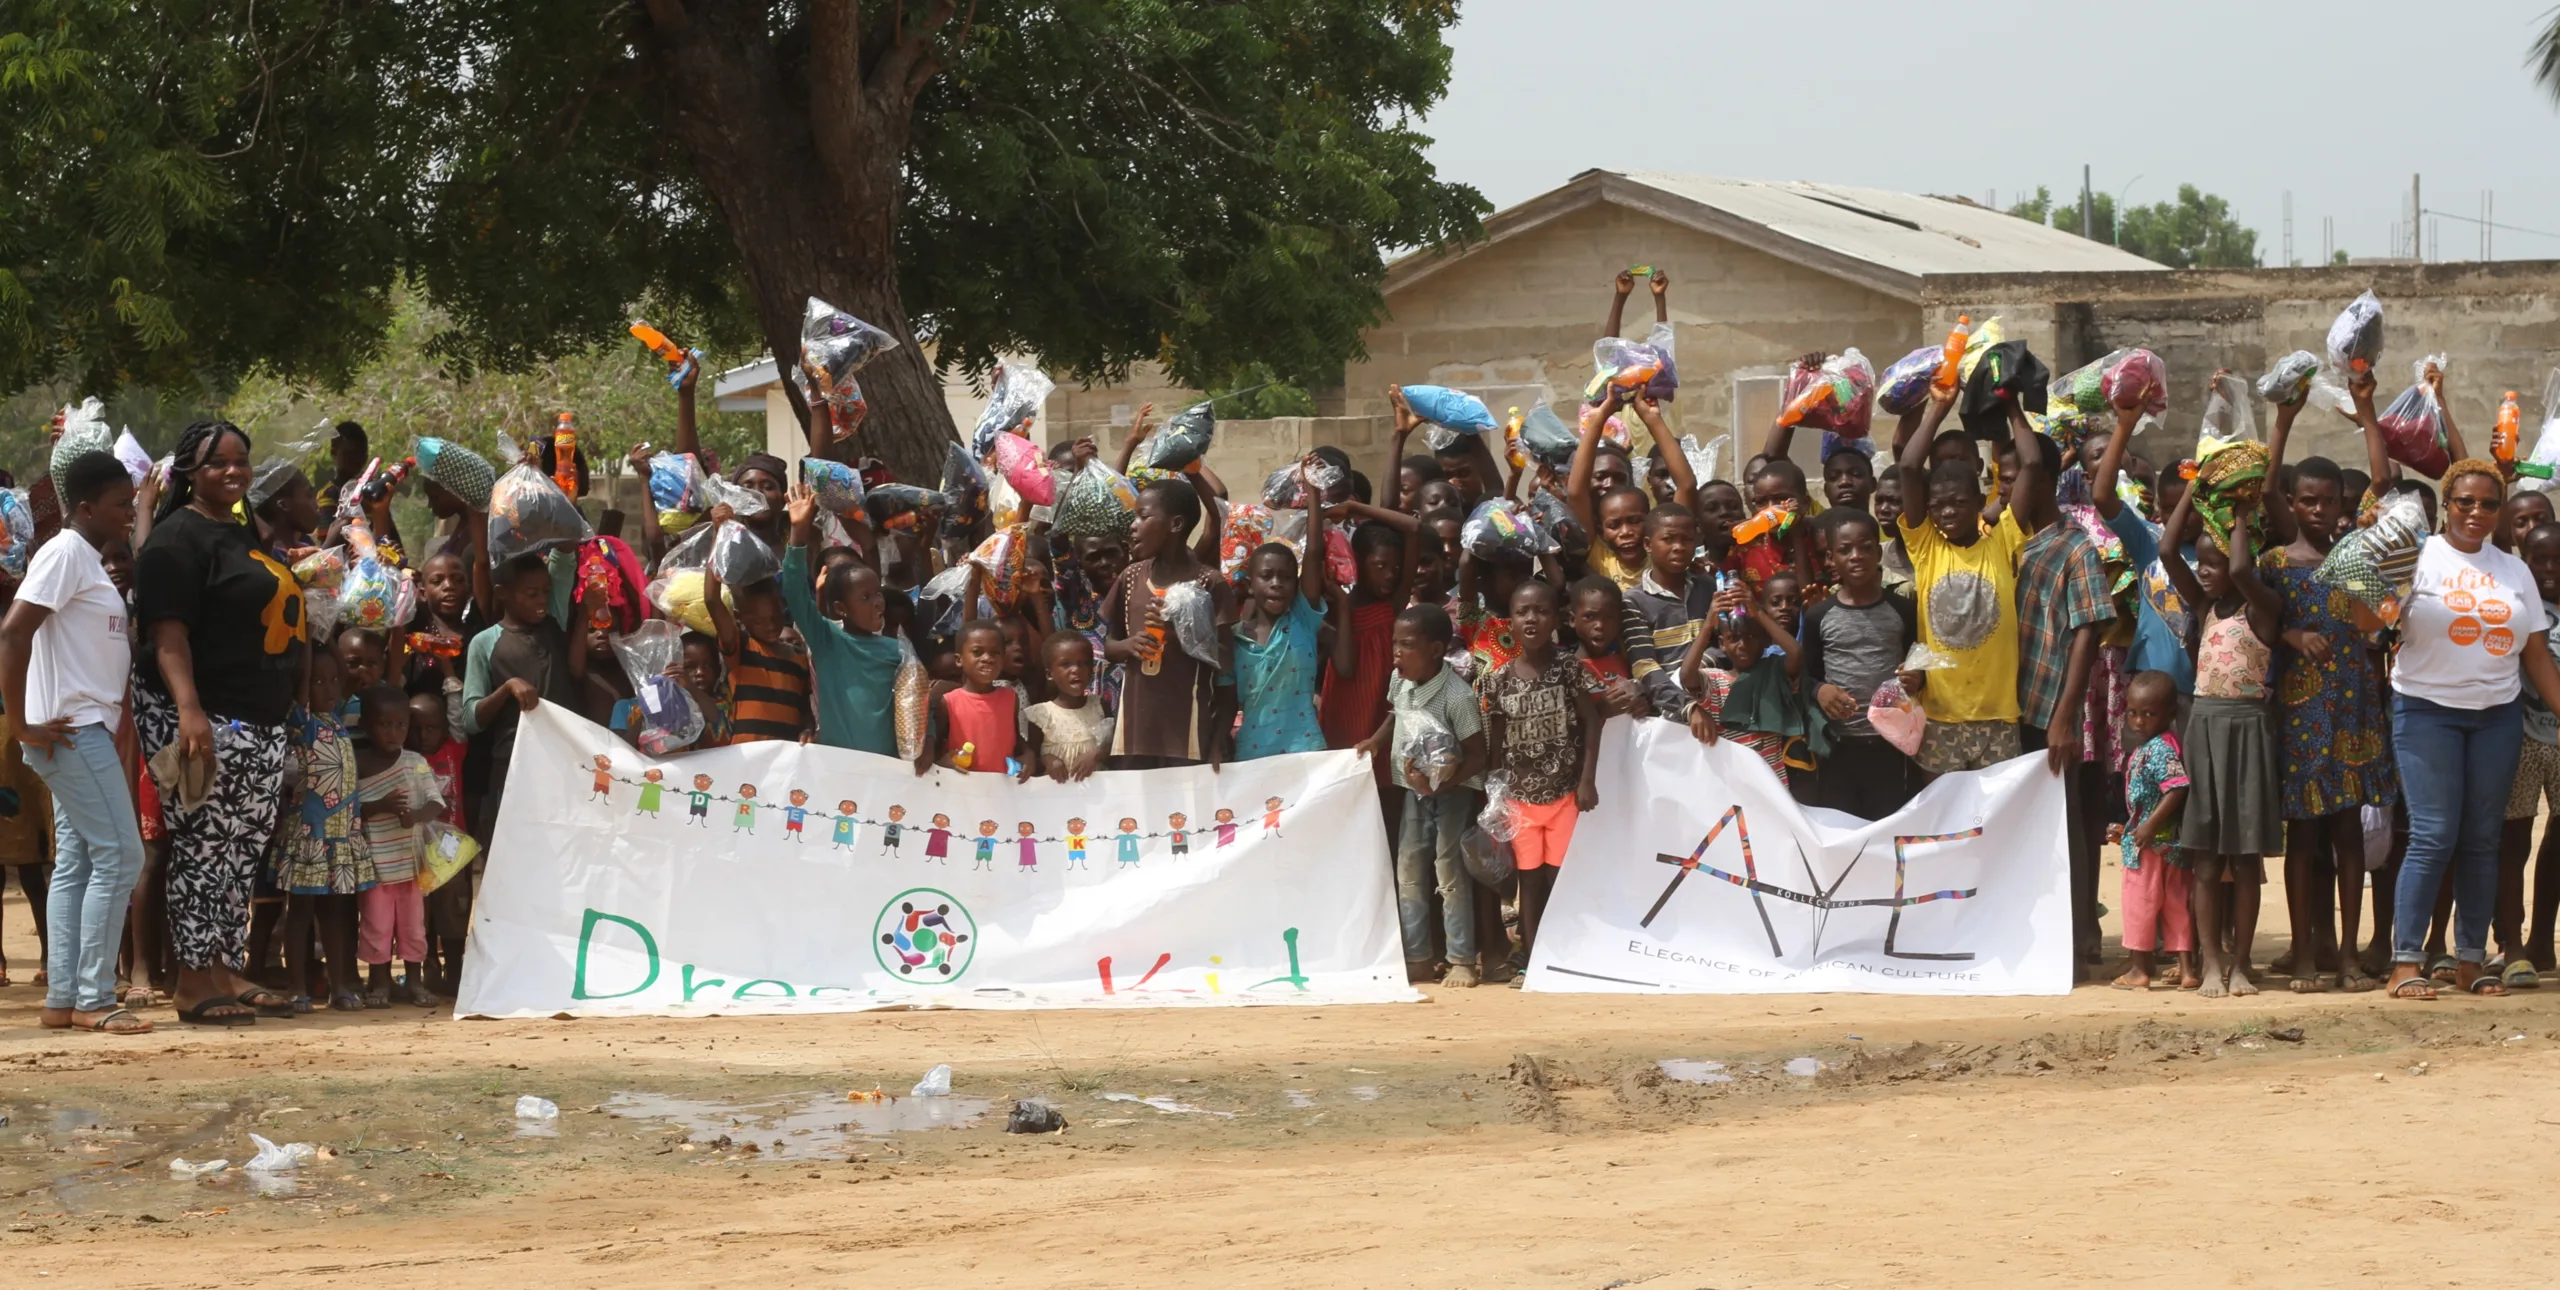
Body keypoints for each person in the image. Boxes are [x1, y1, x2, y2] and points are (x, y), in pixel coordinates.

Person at [133, 420, 305, 1026]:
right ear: (189, 472)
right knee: (203, 845)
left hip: (256, 716)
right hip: (204, 716)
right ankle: (191, 981)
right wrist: (189, 711)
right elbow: (167, 633)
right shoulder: (176, 539)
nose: (234, 471)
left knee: (241, 849)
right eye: (218, 463)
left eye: (241, 460)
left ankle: (225, 967)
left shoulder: (236, 529)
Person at [2382, 458, 2560, 1000]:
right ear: (2447, 503)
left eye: (2488, 503)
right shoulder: (2418, 557)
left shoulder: (2514, 570)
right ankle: (2405, 962)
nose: (2476, 512)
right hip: (2426, 711)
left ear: (2499, 510)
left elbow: (2535, 653)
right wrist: (2377, 582)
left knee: (2483, 839)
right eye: (2465, 502)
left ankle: (2470, 960)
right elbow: (2371, 623)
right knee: (2434, 835)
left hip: (2496, 716)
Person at [1, 451, 148, 1034]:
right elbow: (14, 632)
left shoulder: (84, 557)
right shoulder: (65, 552)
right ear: (85, 508)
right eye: (120, 504)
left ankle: (64, 998)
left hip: (81, 729)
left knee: (81, 861)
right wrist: (21, 723)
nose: (128, 512)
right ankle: (93, 997)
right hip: (71, 730)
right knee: (122, 855)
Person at [2260, 381, 2397, 992]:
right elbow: (2262, 625)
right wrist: (2283, 419)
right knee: (2304, 835)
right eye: (2307, 500)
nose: (2317, 510)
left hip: (2354, 710)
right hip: (2300, 716)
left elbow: (2383, 482)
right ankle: (2303, 953)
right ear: (2292, 502)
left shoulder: (2355, 556)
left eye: (2328, 501)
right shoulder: (2274, 564)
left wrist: (2365, 410)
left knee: (2348, 834)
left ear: (2342, 502)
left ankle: (2346, 956)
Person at [2158, 484, 2282, 999]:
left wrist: (2240, 515)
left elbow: (2243, 571)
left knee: (2245, 859)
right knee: (2206, 859)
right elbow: (2168, 550)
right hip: (2205, 728)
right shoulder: (2204, 606)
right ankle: (2212, 963)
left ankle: (2243, 963)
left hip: (2248, 729)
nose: (2206, 571)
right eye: (2202, 564)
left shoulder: (2263, 608)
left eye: (2214, 563)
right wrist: (2194, 486)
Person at [1889, 383, 2035, 775]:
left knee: (1998, 812)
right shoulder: (1927, 548)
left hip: (1998, 716)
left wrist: (2011, 403)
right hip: (1941, 718)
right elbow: (1908, 467)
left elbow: (2032, 464)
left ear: (1980, 502)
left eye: (1958, 502)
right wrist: (1940, 405)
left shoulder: (2002, 539)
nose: (1947, 512)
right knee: (1944, 813)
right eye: (1937, 505)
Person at [1353, 605, 1484, 987]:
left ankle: (1461, 959)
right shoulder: (1401, 682)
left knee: (1449, 872)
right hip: (1414, 792)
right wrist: (1376, 742)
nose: (1397, 652)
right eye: (1395, 643)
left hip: (1452, 795)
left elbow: (1478, 754)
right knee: (1408, 871)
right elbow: (1396, 714)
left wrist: (1444, 782)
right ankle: (1418, 958)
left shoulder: (1456, 697)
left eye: (1407, 645)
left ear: (1435, 649)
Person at [1476, 580, 1601, 959]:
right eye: (1522, 612)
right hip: (1520, 800)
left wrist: (1587, 780)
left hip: (1564, 795)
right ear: (1510, 622)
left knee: (1559, 876)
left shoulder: (1568, 669)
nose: (1532, 619)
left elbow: (1592, 722)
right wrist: (1495, 795)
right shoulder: (1499, 680)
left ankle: (1563, 952)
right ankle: (1531, 956)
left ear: (1557, 620)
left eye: (1541, 611)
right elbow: (1497, 743)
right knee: (1528, 880)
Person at [1101, 477, 1231, 769]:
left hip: (1187, 730)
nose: (1133, 525)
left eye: (1143, 516)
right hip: (1134, 729)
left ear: (1176, 524)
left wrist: (1182, 634)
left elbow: (1226, 661)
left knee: (1182, 799)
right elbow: (1108, 646)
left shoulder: (1208, 583)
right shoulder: (1130, 577)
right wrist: (1128, 646)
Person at [1799, 510, 1920, 819]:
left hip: (1890, 744)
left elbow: (1918, 667)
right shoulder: (1818, 616)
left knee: (1888, 823)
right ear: (1831, 558)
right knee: (1842, 825)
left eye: (1865, 547)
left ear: (1878, 552)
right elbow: (1805, 675)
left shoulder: (1903, 610)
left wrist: (1918, 679)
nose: (1856, 556)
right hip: (1837, 746)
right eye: (1845, 550)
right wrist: (1819, 690)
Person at [1231, 463, 1351, 761]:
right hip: (1250, 756)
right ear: (1250, 583)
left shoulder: (1302, 620)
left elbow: (1313, 552)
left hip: (1305, 751)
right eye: (1266, 576)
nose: (1276, 584)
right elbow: (1223, 703)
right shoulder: (1235, 639)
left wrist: (1312, 491)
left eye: (1285, 577)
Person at [779, 481, 902, 754]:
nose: (878, 602)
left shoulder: (897, 651)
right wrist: (798, 531)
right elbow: (795, 593)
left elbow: (917, 703)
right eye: (865, 597)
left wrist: (927, 740)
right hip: (837, 770)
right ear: (840, 608)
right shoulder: (827, 641)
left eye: (878, 594)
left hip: (887, 771)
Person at [351, 683, 440, 1007]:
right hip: (376, 867)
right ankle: (380, 983)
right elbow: (352, 811)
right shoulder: (358, 764)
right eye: (384, 724)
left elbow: (435, 802)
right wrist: (382, 806)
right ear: (366, 725)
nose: (393, 733)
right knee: (376, 926)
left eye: (400, 725)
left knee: (413, 927)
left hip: (411, 866)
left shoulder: (415, 761)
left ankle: (414, 982)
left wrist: (415, 816)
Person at [2115, 671, 2197, 991]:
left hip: (2148, 847)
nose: (2139, 721)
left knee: (2140, 903)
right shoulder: (2161, 745)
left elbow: (2177, 788)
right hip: (2170, 845)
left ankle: (2139, 969)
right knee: (2177, 905)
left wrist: (2148, 825)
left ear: (2170, 714)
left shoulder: (2158, 749)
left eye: (2149, 714)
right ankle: (2187, 969)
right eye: (2133, 713)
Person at [921, 620, 1019, 776]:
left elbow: (1018, 743)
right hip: (963, 786)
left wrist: (1028, 756)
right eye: (977, 652)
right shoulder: (949, 702)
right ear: (959, 660)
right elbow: (935, 749)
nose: (987, 658)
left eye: (995, 653)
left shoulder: (1011, 698)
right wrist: (943, 762)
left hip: (1002, 787)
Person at [1023, 633, 1112, 782]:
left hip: (1096, 791)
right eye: (1065, 664)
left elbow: (1115, 747)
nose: (1076, 670)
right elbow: (1031, 762)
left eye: (1083, 663)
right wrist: (1046, 759)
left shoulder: (1100, 706)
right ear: (1049, 674)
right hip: (1056, 794)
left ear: (1091, 670)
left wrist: (1097, 754)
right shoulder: (1040, 715)